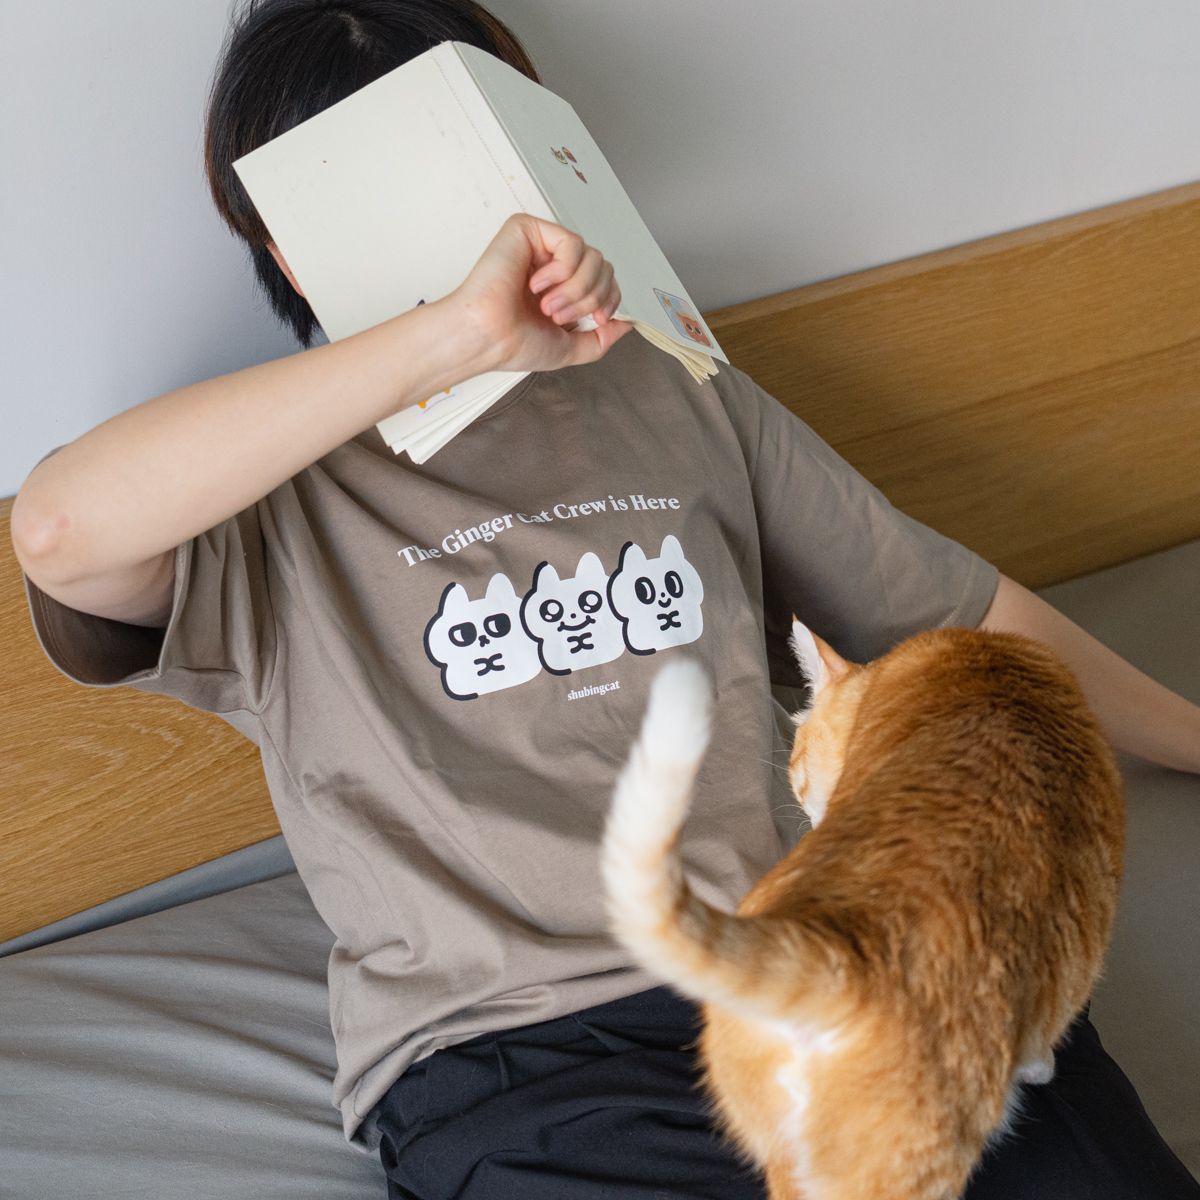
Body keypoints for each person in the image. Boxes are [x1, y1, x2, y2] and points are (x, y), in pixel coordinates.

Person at [12, 2, 1200, 1197]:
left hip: (834, 960)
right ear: (282, 237)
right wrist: (454, 338)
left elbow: (962, 626)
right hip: (520, 1058)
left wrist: (1194, 739)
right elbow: (61, 529)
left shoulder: (677, 387)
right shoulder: (259, 490)